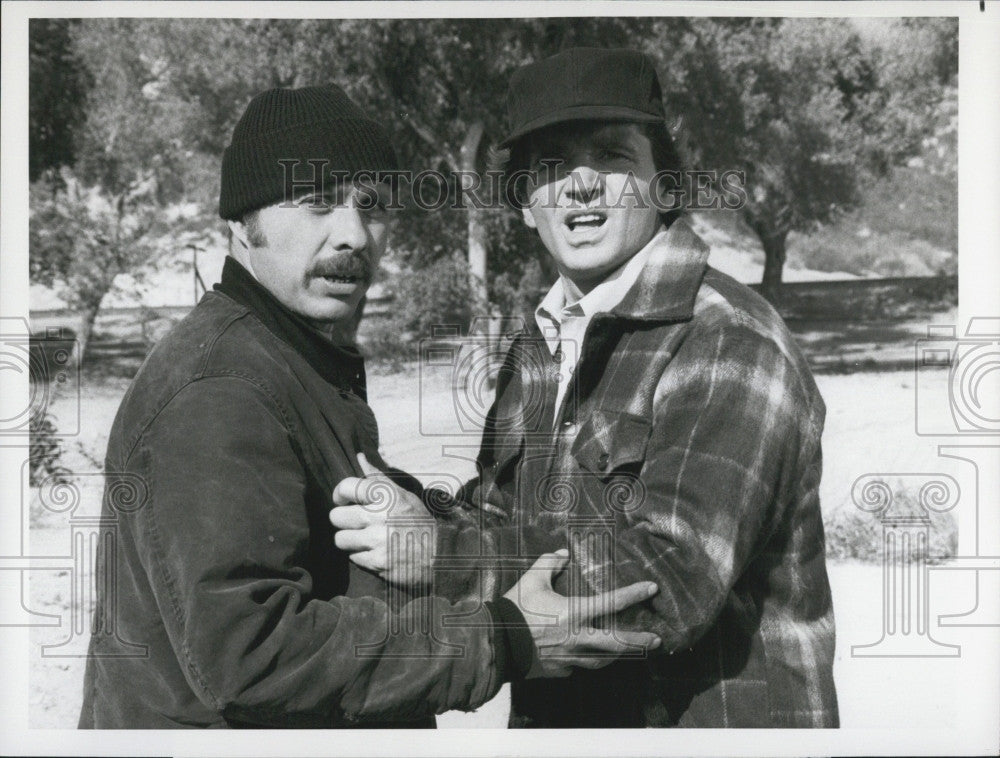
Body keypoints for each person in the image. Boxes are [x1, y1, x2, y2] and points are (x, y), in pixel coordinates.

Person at [77, 83, 661, 729]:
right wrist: (503, 637)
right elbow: (253, 656)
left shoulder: (291, 358)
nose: (353, 233)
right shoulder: (222, 389)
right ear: (243, 225)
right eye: (318, 201)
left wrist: (437, 537)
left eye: (372, 206)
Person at [331, 48, 839, 728]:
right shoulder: (540, 343)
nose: (579, 186)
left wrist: (439, 555)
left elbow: (667, 583)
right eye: (549, 167)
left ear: (665, 188)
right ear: (524, 206)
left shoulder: (728, 341)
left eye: (613, 157)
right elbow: (504, 519)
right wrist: (405, 505)